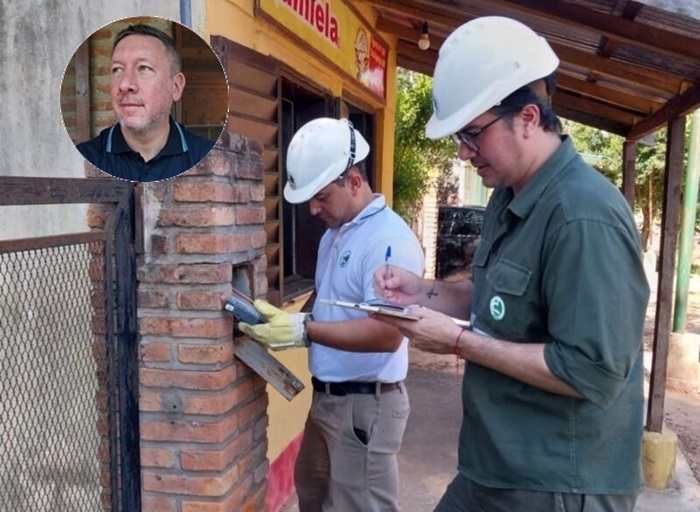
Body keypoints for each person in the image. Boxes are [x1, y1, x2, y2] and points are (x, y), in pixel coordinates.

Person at [373, 16, 650, 512]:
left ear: (527, 117)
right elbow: (497, 298)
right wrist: (422, 292)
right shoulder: (510, 194)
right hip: (495, 469)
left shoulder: (583, 215)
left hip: (557, 483)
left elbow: (592, 372)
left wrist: (457, 342)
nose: (464, 152)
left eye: (473, 134)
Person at [239, 117, 424, 511]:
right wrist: (280, 320)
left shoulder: (388, 241)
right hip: (327, 399)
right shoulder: (335, 234)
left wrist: (304, 330)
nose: (313, 208)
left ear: (353, 182)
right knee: (314, 495)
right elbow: (327, 298)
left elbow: (388, 334)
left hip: (365, 406)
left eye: (321, 196)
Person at [76, 24, 215, 182]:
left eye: (144, 68)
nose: (124, 85)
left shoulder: (208, 157)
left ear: (176, 87)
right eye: (117, 69)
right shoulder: (82, 159)